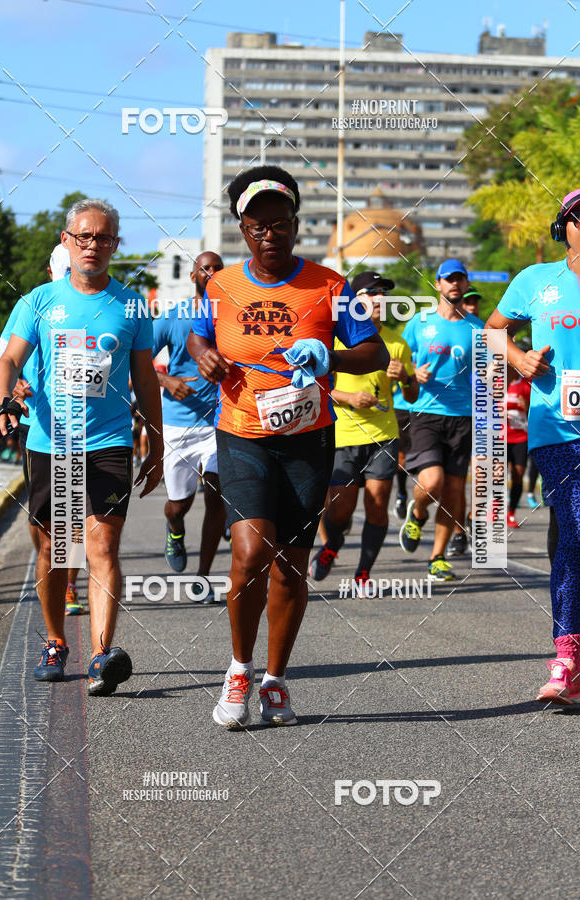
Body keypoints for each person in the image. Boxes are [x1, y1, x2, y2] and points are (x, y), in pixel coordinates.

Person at [188, 165, 388, 727]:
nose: (269, 235)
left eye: (280, 224)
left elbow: (373, 352)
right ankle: (239, 668)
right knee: (251, 552)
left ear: (296, 226)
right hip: (242, 434)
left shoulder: (330, 286)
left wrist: (331, 357)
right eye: (258, 227)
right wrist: (203, 355)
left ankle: (275, 680)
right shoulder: (222, 287)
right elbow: (198, 334)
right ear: (243, 231)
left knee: (290, 566)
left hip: (307, 439)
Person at [0, 198, 163, 695]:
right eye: (84, 236)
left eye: (103, 238)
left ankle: (101, 655)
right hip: (52, 442)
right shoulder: (40, 301)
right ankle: (54, 641)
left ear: (115, 245)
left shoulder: (132, 305)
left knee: (102, 545)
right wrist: (4, 401)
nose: (93, 245)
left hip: (109, 441)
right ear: (67, 241)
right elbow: (8, 361)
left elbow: (145, 380)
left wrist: (156, 442)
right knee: (56, 547)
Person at [486, 188, 580, 704]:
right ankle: (567, 657)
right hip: (558, 428)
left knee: (570, 535)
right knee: (577, 530)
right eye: (579, 218)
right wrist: (519, 359)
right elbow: (493, 331)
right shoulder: (536, 280)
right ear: (563, 227)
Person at [0, 244, 86, 615]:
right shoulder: (33, 303)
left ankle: (69, 585)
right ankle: (50, 564)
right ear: (50, 273)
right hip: (37, 425)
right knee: (43, 519)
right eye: (63, 274)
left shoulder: (92, 303)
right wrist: (12, 386)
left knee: (73, 513)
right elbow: (1, 358)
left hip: (82, 427)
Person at [309, 270, 417, 585]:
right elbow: (316, 387)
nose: (380, 298)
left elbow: (412, 395)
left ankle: (363, 573)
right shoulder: (336, 339)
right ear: (353, 301)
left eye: (383, 293)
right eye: (371, 292)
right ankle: (332, 545)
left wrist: (405, 378)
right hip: (343, 434)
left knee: (378, 504)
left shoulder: (397, 343)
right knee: (340, 509)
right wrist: (349, 398)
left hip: (383, 435)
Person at [398, 259, 484, 581]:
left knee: (453, 490)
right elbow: (400, 361)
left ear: (466, 284)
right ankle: (418, 512)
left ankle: (438, 557)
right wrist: (412, 373)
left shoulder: (477, 327)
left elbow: (491, 368)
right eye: (449, 279)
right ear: (437, 284)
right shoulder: (419, 322)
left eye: (460, 279)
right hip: (427, 412)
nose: (455, 284)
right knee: (432, 482)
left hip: (464, 416)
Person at [152, 250, 226, 602]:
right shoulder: (173, 316)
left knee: (217, 496)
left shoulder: (232, 316)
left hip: (220, 421)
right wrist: (167, 382)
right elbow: (137, 362)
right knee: (178, 505)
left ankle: (204, 577)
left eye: (218, 268)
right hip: (178, 424)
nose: (211, 272)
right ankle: (174, 528)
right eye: (205, 268)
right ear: (193, 275)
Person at [445, 286, 484, 557]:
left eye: (474, 303)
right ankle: (459, 532)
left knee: (484, 475)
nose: (471, 307)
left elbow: (506, 374)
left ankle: (473, 518)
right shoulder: (454, 332)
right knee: (456, 482)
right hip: (461, 414)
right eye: (467, 302)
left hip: (486, 414)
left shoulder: (485, 332)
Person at [505, 365, 531, 527]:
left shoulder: (526, 384)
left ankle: (511, 513)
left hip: (521, 437)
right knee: (497, 475)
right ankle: (494, 508)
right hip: (500, 437)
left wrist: (527, 406)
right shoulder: (496, 383)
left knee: (517, 475)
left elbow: (536, 410)